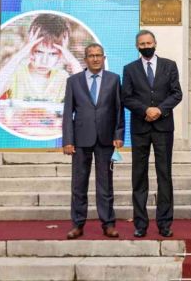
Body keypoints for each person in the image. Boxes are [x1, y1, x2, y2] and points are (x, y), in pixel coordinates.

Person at [122, 30, 182, 238]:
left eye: (149, 43)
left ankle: (164, 223)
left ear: (155, 43)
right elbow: (126, 97)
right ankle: (140, 224)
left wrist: (159, 110)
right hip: (140, 128)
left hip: (163, 128)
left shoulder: (169, 65)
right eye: (142, 44)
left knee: (164, 175)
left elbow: (177, 93)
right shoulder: (130, 69)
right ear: (137, 46)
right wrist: (145, 110)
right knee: (139, 177)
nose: (146, 46)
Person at [62, 43, 124, 239]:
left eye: (99, 55)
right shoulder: (74, 81)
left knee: (105, 184)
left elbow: (119, 110)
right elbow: (68, 112)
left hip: (106, 139)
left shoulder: (114, 79)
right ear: (85, 59)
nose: (95, 59)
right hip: (80, 140)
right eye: (91, 55)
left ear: (104, 58)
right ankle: (78, 224)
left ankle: (108, 224)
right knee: (78, 184)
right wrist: (68, 140)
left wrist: (119, 135)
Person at [0, 13, 82, 102]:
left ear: (61, 54)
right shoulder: (16, 73)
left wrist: (73, 62)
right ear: (29, 49)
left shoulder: (62, 78)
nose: (44, 61)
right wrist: (21, 54)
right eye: (39, 52)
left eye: (53, 54)